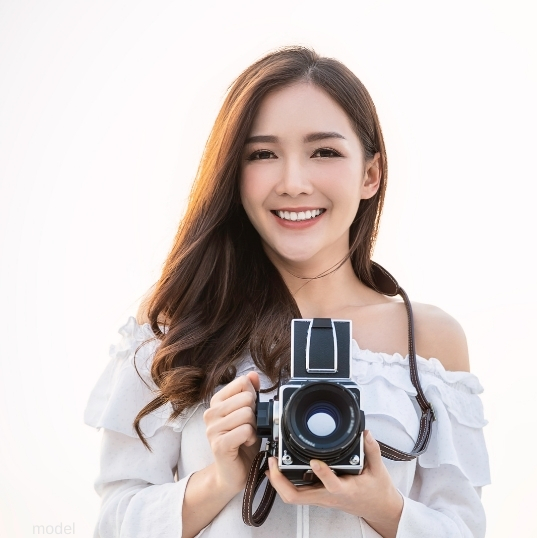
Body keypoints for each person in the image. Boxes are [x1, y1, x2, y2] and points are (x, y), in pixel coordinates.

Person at [83, 46, 490, 538]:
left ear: (370, 174)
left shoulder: (427, 338)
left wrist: (383, 506)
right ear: (234, 174)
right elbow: (112, 523)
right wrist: (219, 479)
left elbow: (464, 529)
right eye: (262, 154)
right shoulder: (178, 320)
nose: (294, 182)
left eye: (325, 152)